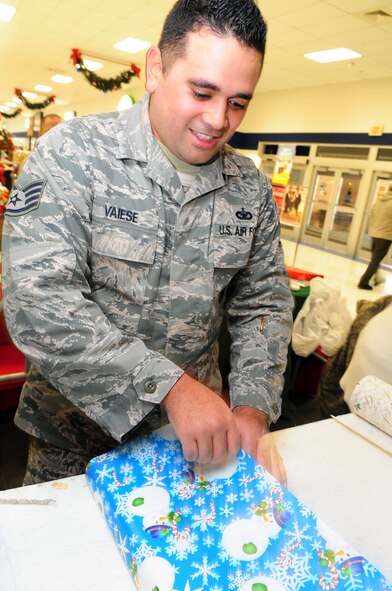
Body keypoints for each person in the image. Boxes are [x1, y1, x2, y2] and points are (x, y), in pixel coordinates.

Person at [2, 0, 293, 486]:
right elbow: (37, 300)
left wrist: (252, 406)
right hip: (73, 441)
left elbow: (262, 301)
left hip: (190, 448)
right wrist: (170, 388)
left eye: (239, 102)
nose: (219, 119)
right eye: (202, 92)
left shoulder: (250, 189)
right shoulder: (75, 155)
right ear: (155, 68)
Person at [358, 186, 392, 290]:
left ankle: (378, 278)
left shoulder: (379, 200)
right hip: (385, 235)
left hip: (375, 232)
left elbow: (372, 215)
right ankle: (363, 282)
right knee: (375, 260)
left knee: (375, 258)